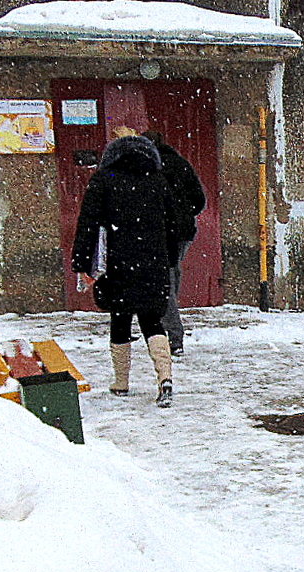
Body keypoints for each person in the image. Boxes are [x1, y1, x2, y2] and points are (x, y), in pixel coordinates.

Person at [72, 131, 177, 408]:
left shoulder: (104, 181)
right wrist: (169, 256)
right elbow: (176, 223)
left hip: (117, 262)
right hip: (152, 261)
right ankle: (164, 378)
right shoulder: (157, 181)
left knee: (120, 318)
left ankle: (121, 382)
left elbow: (87, 225)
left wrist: (82, 264)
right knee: (152, 320)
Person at [142, 130, 205, 356]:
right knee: (171, 273)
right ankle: (168, 315)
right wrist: (183, 214)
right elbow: (199, 200)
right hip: (183, 231)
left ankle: (173, 335)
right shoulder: (180, 163)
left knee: (163, 282)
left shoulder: (148, 169)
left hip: (160, 232)